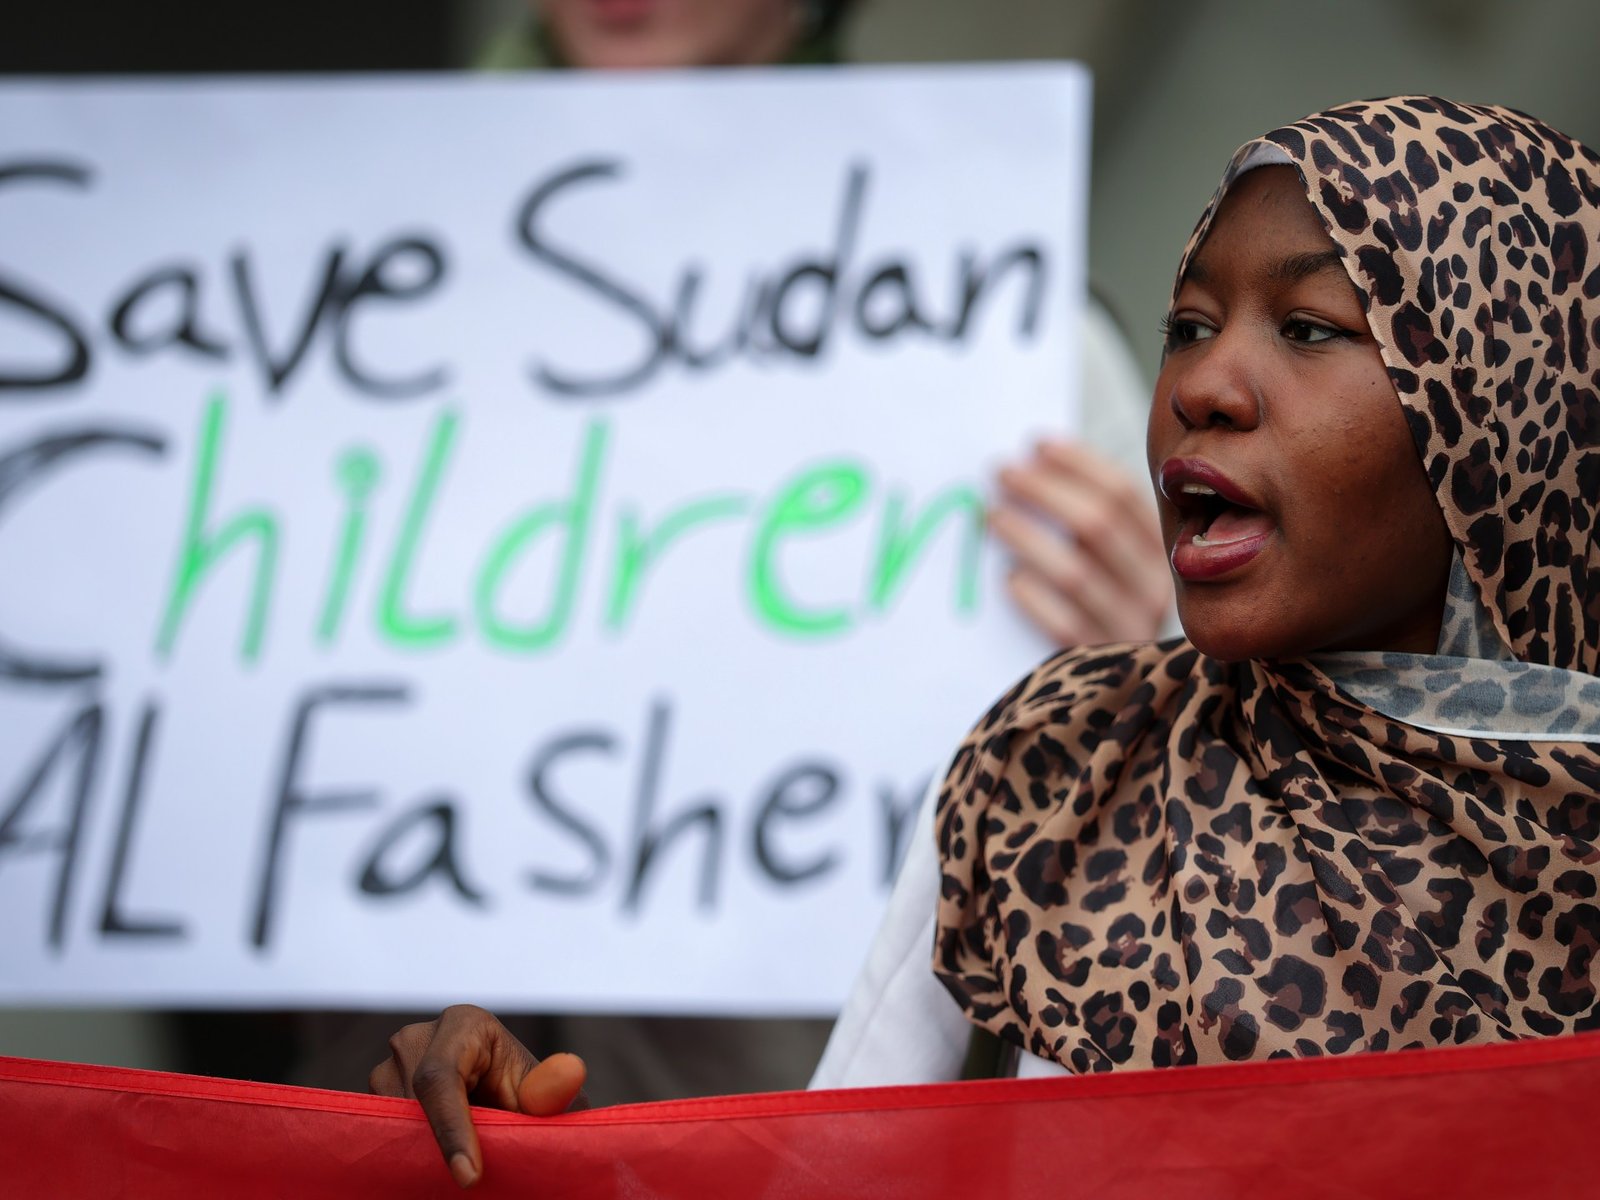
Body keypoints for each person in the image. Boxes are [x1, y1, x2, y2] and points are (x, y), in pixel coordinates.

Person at [372, 94, 1600, 1186]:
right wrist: (535, 1159)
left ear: (1515, 405)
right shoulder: (1055, 769)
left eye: (1311, 327)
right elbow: (825, 1178)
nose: (1202, 385)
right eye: (1186, 323)